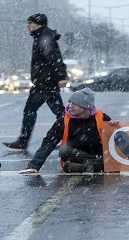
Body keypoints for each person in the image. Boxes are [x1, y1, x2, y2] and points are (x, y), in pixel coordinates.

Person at [3, 13, 68, 151]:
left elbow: (55, 58)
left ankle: (23, 141)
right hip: (45, 82)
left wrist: (61, 76)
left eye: (30, 23)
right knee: (60, 113)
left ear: (39, 25)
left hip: (45, 83)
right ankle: (69, 137)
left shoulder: (44, 38)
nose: (28, 26)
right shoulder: (42, 36)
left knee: (30, 111)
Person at [18, 88, 116, 174]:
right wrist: (34, 166)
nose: (71, 106)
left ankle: (86, 167)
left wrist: (115, 128)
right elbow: (49, 142)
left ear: (86, 106)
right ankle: (93, 166)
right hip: (76, 155)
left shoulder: (101, 117)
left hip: (97, 154)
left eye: (75, 104)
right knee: (64, 150)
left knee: (106, 159)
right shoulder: (64, 119)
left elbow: (116, 139)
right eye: (71, 103)